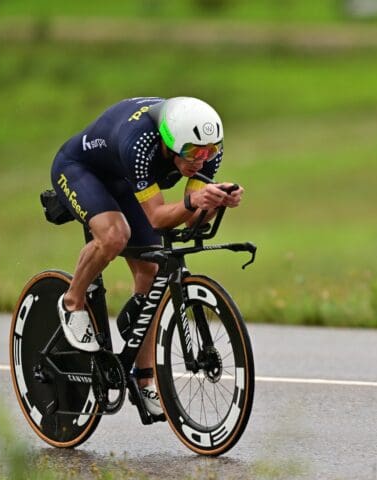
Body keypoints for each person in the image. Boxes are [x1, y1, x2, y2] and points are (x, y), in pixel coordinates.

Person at [49, 96, 244, 416]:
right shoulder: (140, 144)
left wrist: (214, 202)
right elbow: (157, 217)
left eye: (209, 151)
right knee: (114, 236)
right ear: (170, 142)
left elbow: (188, 217)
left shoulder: (205, 151)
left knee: (152, 269)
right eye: (194, 153)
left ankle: (143, 378)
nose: (202, 160)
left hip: (126, 181)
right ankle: (72, 301)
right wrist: (195, 202)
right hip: (80, 170)